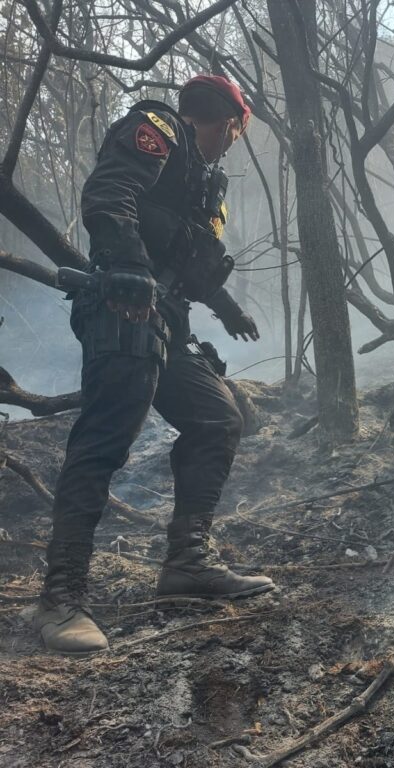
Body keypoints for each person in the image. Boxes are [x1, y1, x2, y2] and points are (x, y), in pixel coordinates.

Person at [33, 75, 275, 656]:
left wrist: (229, 307)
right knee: (104, 442)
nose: (232, 145)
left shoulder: (200, 183)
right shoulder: (157, 129)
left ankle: (188, 563)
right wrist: (127, 267)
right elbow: (108, 195)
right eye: (236, 133)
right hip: (123, 310)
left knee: (217, 419)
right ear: (229, 123)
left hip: (166, 319)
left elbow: (197, 260)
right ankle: (59, 598)